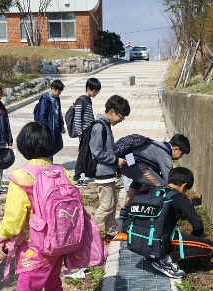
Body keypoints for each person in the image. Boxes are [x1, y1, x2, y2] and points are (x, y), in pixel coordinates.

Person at [0, 122, 74, 291]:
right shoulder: (61, 172)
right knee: (54, 288)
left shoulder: (20, 177)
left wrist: (1, 239)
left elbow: (14, 220)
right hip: (58, 245)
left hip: (34, 250)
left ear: (23, 146)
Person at [150, 167, 213, 278]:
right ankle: (168, 258)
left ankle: (156, 254)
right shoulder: (180, 197)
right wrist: (194, 237)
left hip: (148, 237)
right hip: (164, 239)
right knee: (211, 248)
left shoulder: (155, 190)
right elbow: (198, 225)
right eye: (186, 189)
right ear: (184, 185)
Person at [118, 133, 191, 219]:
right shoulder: (165, 155)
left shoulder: (159, 145)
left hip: (127, 162)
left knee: (138, 181)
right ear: (176, 149)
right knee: (160, 185)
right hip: (132, 164)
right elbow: (170, 180)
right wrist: (180, 196)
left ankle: (126, 210)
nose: (180, 157)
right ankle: (155, 210)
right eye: (181, 154)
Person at [89, 95, 130, 242]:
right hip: (102, 173)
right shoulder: (99, 126)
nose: (120, 120)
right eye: (121, 117)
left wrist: (116, 168)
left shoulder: (106, 125)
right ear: (112, 111)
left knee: (112, 205)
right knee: (106, 206)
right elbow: (96, 151)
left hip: (109, 172)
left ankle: (111, 232)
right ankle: (90, 234)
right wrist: (115, 160)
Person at [73, 77, 101, 187]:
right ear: (88, 89)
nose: (96, 93)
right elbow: (77, 118)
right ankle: (76, 177)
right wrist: (80, 134)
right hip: (84, 133)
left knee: (88, 153)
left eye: (97, 92)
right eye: (95, 91)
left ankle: (88, 174)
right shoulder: (81, 100)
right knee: (82, 154)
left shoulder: (88, 100)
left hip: (89, 132)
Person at [35, 79, 65, 158]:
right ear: (53, 88)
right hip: (48, 128)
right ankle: (48, 165)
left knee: (59, 145)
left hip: (56, 127)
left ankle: (47, 161)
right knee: (49, 148)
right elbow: (42, 116)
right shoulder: (45, 100)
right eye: (58, 92)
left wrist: (61, 124)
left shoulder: (57, 98)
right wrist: (45, 129)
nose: (59, 94)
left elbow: (59, 112)